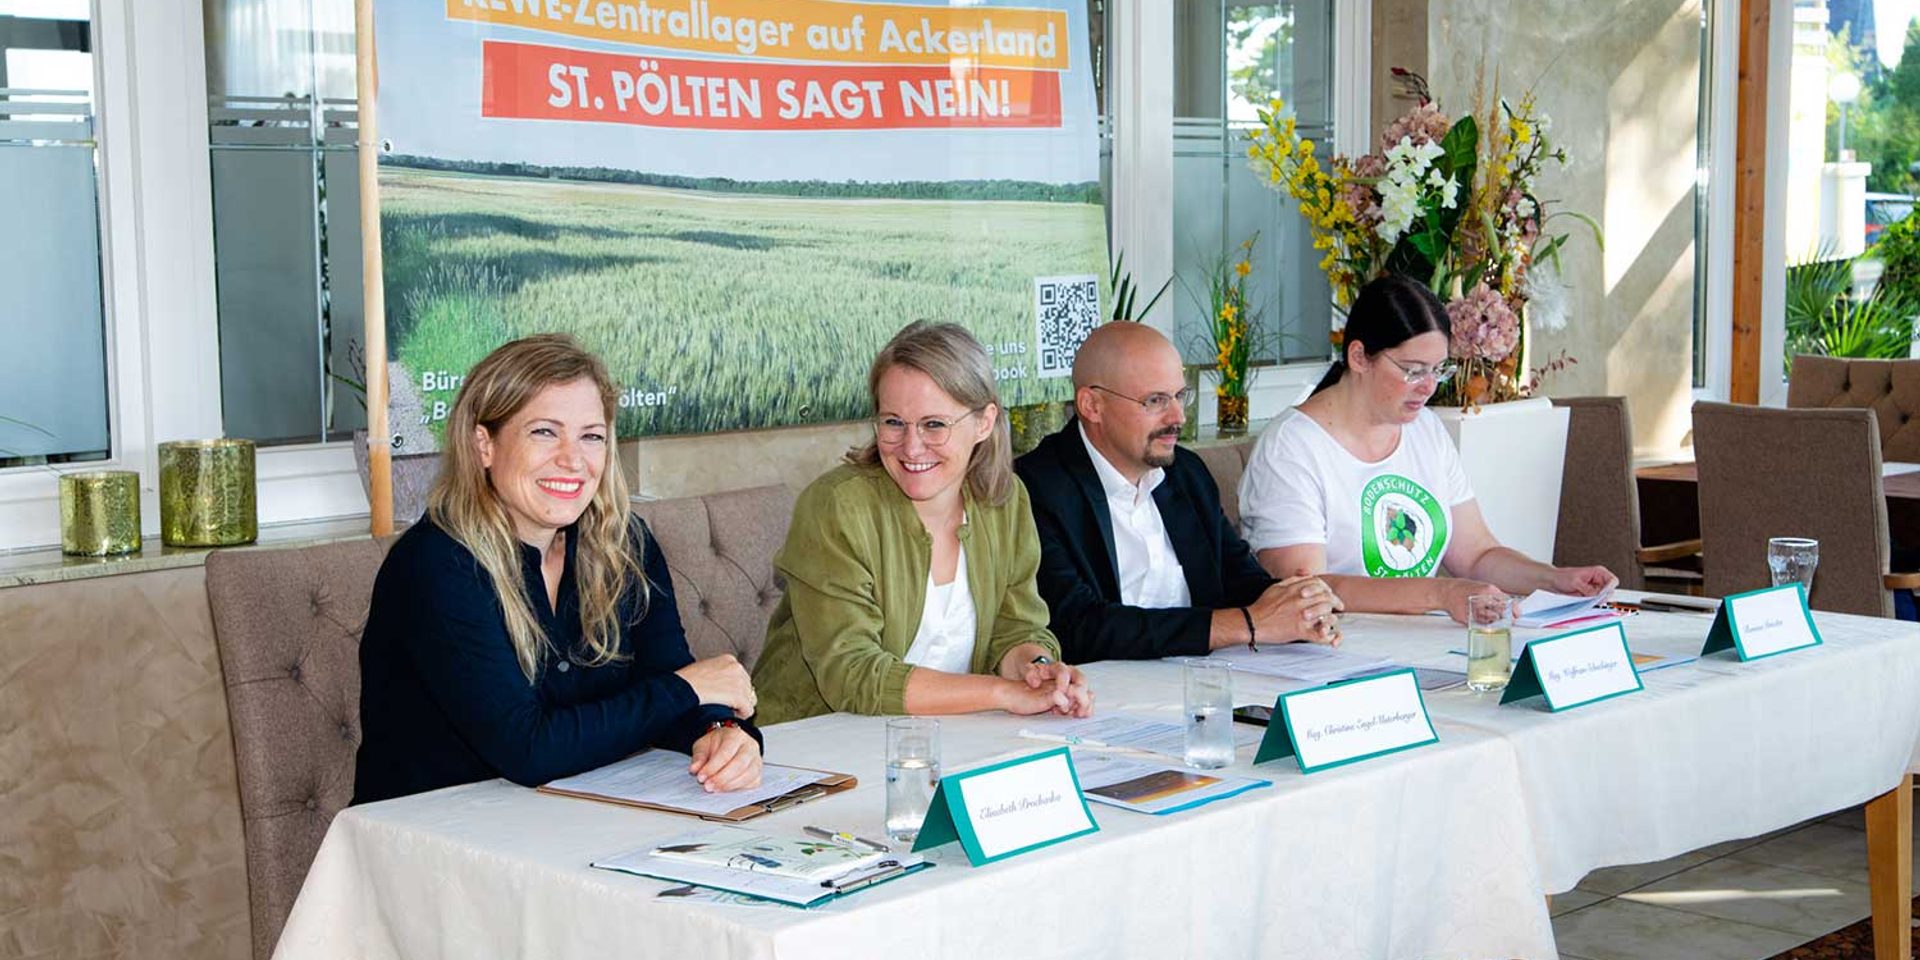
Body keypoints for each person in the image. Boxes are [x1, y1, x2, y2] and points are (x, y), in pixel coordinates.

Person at [354, 334, 762, 805]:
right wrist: (687, 689)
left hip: (572, 816)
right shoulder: (437, 565)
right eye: (544, 431)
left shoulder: (622, 542)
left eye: (592, 436)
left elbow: (666, 679)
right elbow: (528, 749)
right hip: (432, 836)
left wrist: (722, 732)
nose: (573, 459)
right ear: (483, 444)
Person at [752, 320, 1096, 724]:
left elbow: (1016, 628)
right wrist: (1003, 693)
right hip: (813, 749)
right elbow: (852, 673)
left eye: (934, 424)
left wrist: (1036, 669)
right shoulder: (838, 507)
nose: (911, 446)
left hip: (950, 737)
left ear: (984, 422)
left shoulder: (1005, 501)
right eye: (894, 422)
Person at [1237, 274, 1616, 622]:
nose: (1429, 386)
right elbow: (1307, 589)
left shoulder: (1426, 429)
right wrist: (1442, 592)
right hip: (1332, 652)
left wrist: (1554, 579)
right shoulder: (1292, 447)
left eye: (1439, 370)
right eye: (1413, 370)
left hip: (1422, 645)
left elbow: (1477, 555)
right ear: (1358, 357)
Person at [1014, 322, 1343, 661]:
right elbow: (1077, 626)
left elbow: (1240, 580)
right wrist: (1246, 624)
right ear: (1092, 405)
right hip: (1100, 696)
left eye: (1180, 396)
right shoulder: (1035, 489)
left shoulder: (1186, 473)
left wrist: (1298, 603)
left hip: (1207, 682)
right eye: (1155, 400)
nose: (1178, 416)